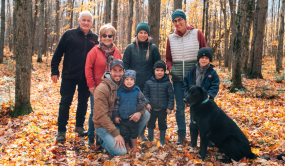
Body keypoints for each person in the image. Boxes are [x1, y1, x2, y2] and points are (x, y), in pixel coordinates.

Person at [51, 11, 99, 142]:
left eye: (88, 21)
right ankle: (61, 130)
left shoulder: (95, 38)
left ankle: (79, 126)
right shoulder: (68, 34)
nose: (85, 23)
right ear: (79, 20)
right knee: (65, 102)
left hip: (86, 78)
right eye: (83, 20)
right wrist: (54, 71)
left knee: (83, 102)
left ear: (91, 23)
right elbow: (57, 54)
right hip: (69, 75)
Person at [165, 9, 207, 144]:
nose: (178, 23)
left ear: (185, 20)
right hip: (178, 79)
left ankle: (196, 133)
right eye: (175, 21)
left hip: (194, 79)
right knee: (180, 108)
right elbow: (168, 58)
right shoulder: (171, 38)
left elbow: (205, 52)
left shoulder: (197, 33)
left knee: (196, 106)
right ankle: (181, 133)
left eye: (180, 20)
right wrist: (171, 69)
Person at [93, 59, 150, 156]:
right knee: (121, 152)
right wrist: (116, 134)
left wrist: (139, 112)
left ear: (124, 72)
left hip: (121, 122)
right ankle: (102, 140)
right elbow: (101, 116)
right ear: (110, 71)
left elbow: (140, 100)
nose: (117, 73)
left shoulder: (126, 84)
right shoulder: (102, 89)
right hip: (104, 125)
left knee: (146, 114)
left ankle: (131, 140)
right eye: (114, 70)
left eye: (120, 70)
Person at [123, 22, 161, 141]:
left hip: (148, 85)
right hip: (133, 85)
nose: (143, 35)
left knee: (146, 109)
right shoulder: (130, 48)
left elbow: (158, 66)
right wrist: (129, 81)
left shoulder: (153, 48)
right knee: (133, 108)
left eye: (145, 33)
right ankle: (130, 133)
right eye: (140, 33)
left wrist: (155, 81)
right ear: (137, 34)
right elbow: (125, 65)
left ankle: (142, 132)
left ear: (148, 35)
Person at [85, 24, 121, 146]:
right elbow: (88, 67)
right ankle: (91, 137)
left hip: (113, 88)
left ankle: (102, 139)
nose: (107, 38)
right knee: (95, 113)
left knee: (109, 113)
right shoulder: (95, 50)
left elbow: (120, 70)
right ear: (100, 37)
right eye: (104, 35)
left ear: (113, 37)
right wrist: (91, 85)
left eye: (109, 35)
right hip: (97, 88)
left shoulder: (117, 52)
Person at [183, 47, 220, 147]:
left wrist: (210, 94)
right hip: (194, 103)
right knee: (194, 122)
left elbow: (215, 85)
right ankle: (193, 143)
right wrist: (187, 96)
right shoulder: (191, 71)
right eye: (202, 57)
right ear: (198, 58)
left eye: (207, 58)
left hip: (206, 103)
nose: (204, 60)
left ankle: (207, 140)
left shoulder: (212, 73)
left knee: (207, 122)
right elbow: (185, 84)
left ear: (209, 60)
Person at [113, 70, 147, 151]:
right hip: (123, 118)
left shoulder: (137, 91)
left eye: (131, 79)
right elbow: (116, 104)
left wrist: (137, 109)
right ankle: (127, 147)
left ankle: (134, 147)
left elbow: (143, 101)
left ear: (134, 81)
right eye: (127, 79)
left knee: (134, 133)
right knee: (125, 133)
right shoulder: (120, 91)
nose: (129, 81)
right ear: (123, 81)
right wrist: (116, 116)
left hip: (133, 118)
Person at [143, 60, 174, 146]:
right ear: (154, 71)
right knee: (150, 124)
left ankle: (162, 142)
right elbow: (145, 94)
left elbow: (171, 96)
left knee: (162, 125)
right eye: (157, 70)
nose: (159, 72)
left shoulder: (167, 83)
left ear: (164, 71)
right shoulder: (149, 83)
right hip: (151, 109)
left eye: (162, 70)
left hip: (162, 109)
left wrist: (169, 107)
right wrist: (147, 103)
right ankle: (151, 140)